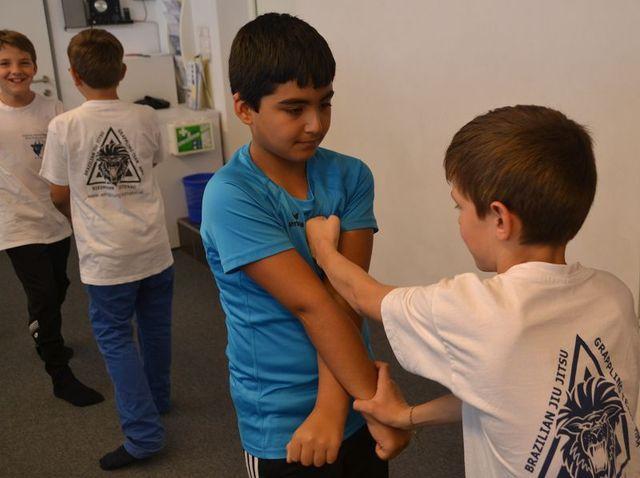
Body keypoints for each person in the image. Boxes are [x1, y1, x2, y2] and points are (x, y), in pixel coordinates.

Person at [306, 105, 640, 477]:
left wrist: (323, 250)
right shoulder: (614, 298)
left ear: (500, 219)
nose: (459, 219)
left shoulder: (476, 311)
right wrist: (408, 415)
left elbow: (362, 295)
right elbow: (514, 394)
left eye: (459, 206)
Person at [200, 13, 409, 478]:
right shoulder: (231, 194)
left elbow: (347, 297)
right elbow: (310, 303)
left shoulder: (350, 175)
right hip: (283, 417)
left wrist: (342, 407)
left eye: (325, 103)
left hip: (353, 395)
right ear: (245, 109)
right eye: (294, 109)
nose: (315, 124)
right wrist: (368, 406)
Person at [40, 29, 174, 471]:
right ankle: (159, 398)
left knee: (116, 339)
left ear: (73, 75)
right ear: (123, 71)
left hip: (106, 257)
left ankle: (143, 435)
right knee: (155, 328)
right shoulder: (145, 117)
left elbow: (58, 193)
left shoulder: (64, 126)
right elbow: (148, 165)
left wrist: (81, 220)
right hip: (153, 247)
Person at [0, 30, 104, 407]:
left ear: (35, 66)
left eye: (23, 62)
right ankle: (59, 373)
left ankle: (41, 328)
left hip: (56, 216)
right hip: (15, 222)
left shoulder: (54, 108)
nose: (15, 70)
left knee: (58, 285)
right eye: (5, 63)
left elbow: (72, 161)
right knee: (44, 294)